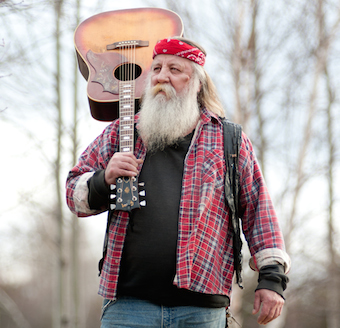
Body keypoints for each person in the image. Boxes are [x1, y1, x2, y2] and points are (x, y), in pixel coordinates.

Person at [66, 37, 290, 328]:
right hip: (128, 307)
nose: (162, 77)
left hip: (201, 310)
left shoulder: (228, 140)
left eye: (174, 69)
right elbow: (73, 193)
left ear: (197, 82)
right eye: (156, 68)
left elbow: (258, 211)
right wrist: (103, 180)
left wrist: (272, 280)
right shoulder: (122, 133)